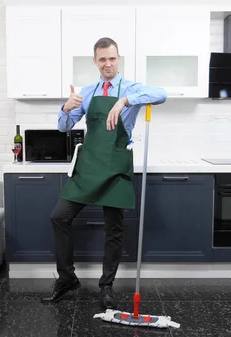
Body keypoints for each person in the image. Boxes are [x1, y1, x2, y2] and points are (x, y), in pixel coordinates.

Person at [41, 37, 167, 309]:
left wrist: (125, 101)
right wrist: (65, 108)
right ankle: (66, 278)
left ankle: (106, 286)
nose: (107, 63)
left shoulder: (131, 88)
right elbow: (64, 126)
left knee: (114, 229)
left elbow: (161, 94)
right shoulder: (87, 92)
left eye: (111, 58)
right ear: (95, 61)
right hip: (90, 165)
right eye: (102, 59)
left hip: (115, 166)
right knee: (59, 216)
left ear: (118, 58)